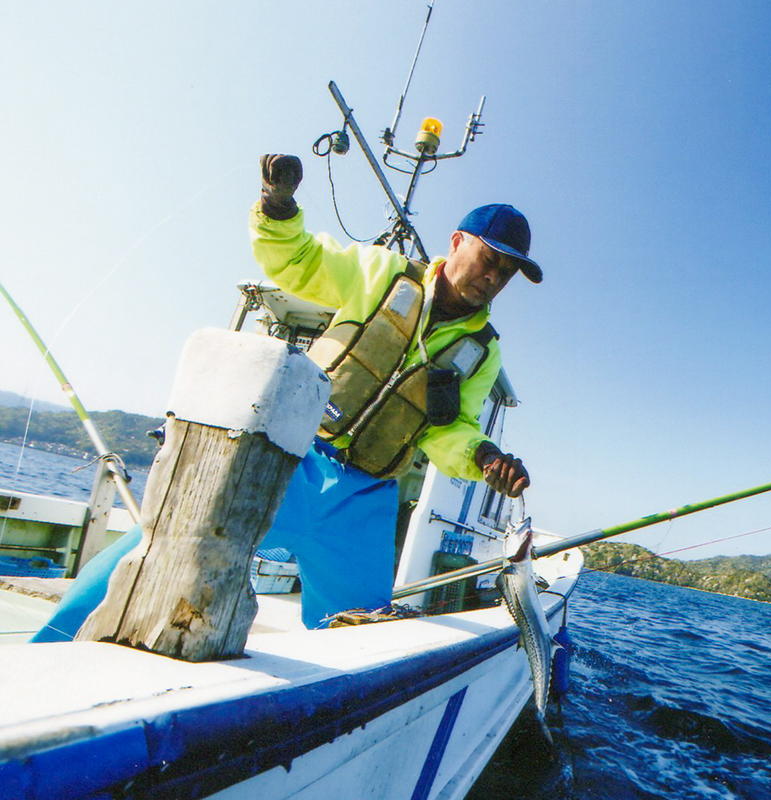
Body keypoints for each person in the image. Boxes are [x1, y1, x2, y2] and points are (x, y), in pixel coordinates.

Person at [32, 154, 537, 640]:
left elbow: (449, 428)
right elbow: (298, 263)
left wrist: (483, 457)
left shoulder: (482, 351)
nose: (494, 278)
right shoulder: (383, 273)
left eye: (507, 273)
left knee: (357, 634)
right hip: (292, 459)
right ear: (456, 242)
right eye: (489, 259)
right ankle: (52, 642)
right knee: (164, 541)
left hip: (365, 500)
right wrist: (277, 208)